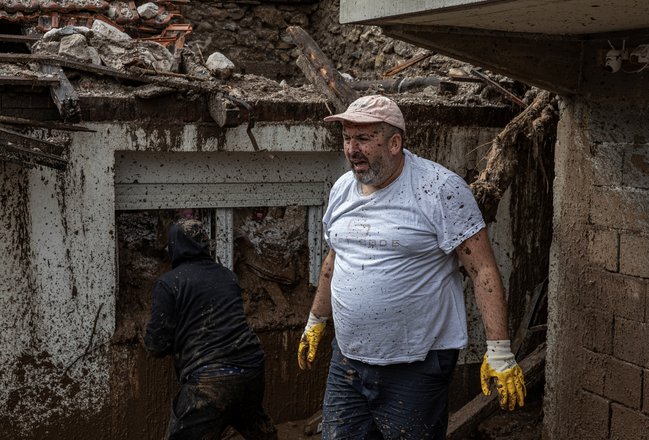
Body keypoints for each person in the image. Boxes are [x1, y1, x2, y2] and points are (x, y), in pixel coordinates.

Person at [297, 95, 526, 439]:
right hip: (349, 359)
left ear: (394, 143)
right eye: (346, 138)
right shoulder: (342, 189)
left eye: (363, 139)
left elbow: (483, 271)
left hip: (415, 366)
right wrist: (316, 321)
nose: (352, 149)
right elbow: (334, 258)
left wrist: (499, 350)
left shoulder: (439, 189)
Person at [144, 217, 278, 440]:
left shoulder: (169, 284)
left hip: (210, 382)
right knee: (255, 426)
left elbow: (157, 345)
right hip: (252, 368)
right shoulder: (227, 276)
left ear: (174, 247)